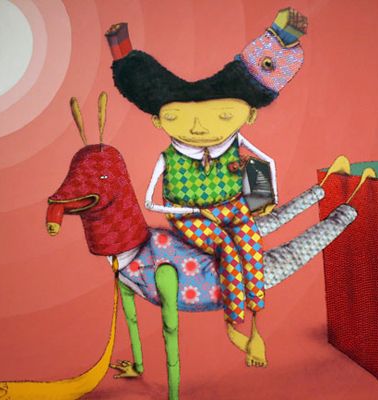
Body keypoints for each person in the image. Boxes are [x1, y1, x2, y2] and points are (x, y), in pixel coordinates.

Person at [107, 8, 307, 366]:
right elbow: (151, 202)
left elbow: (267, 163)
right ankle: (235, 323)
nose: (199, 128)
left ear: (249, 114)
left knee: (250, 242)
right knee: (228, 248)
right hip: (190, 216)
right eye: (177, 117)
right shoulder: (170, 158)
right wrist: (188, 211)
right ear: (158, 121)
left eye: (223, 115)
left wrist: (265, 197)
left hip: (233, 206)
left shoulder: (236, 145)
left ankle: (256, 314)